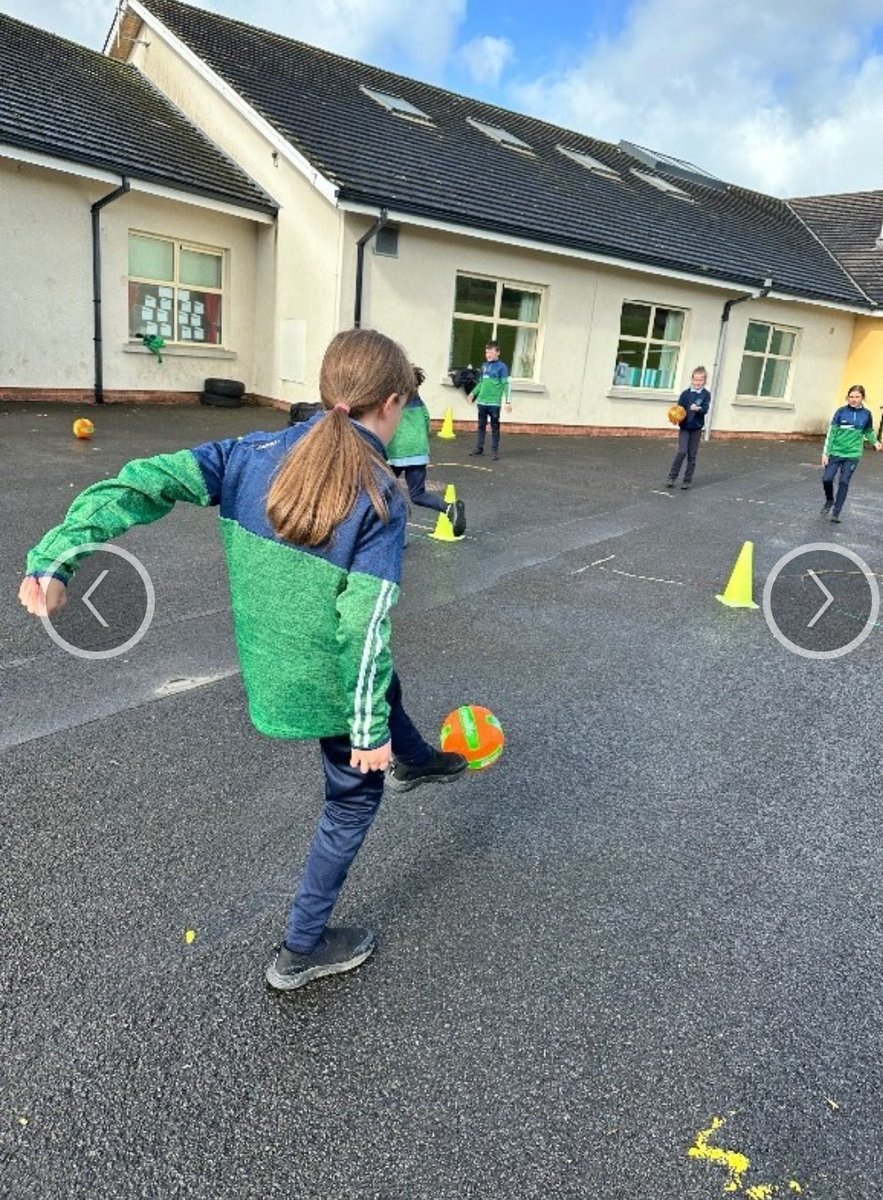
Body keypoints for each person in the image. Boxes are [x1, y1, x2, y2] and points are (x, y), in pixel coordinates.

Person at [18, 329, 468, 992]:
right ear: (393, 402)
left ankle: (415, 759)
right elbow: (363, 626)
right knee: (351, 799)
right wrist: (368, 729)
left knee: (382, 679)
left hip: (272, 663)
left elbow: (138, 482)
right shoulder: (378, 494)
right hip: (330, 684)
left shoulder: (246, 453)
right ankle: (301, 950)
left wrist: (57, 556)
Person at [387, 365, 466, 535]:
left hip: (396, 453)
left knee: (383, 492)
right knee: (418, 494)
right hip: (419, 453)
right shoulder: (419, 401)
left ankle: (394, 534)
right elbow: (427, 421)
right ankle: (449, 508)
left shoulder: (393, 401)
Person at [821, 383, 882, 522]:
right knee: (827, 479)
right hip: (836, 452)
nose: (854, 400)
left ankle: (836, 512)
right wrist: (825, 453)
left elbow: (868, 431)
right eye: (851, 397)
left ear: (862, 398)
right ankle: (829, 499)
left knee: (844, 482)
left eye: (857, 397)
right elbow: (832, 433)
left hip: (853, 455)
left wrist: (875, 442)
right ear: (847, 397)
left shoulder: (866, 414)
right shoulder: (841, 412)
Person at [666, 366, 711, 490]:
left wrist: (699, 409)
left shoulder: (705, 394)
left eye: (700, 380)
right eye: (695, 380)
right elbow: (678, 409)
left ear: (704, 381)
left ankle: (687, 480)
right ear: (692, 379)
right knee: (681, 452)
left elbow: (706, 409)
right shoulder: (685, 394)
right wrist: (675, 419)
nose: (697, 383)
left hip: (696, 428)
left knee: (692, 455)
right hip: (685, 427)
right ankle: (672, 477)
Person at [468, 341, 511, 460]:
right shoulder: (484, 366)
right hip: (482, 402)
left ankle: (494, 451)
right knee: (481, 426)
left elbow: (506, 385)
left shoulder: (502, 367)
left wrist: (508, 401)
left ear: (498, 352)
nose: (488, 355)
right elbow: (481, 383)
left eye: (491, 352)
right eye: (487, 352)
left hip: (494, 403)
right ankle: (479, 448)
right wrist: (472, 393)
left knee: (494, 427)